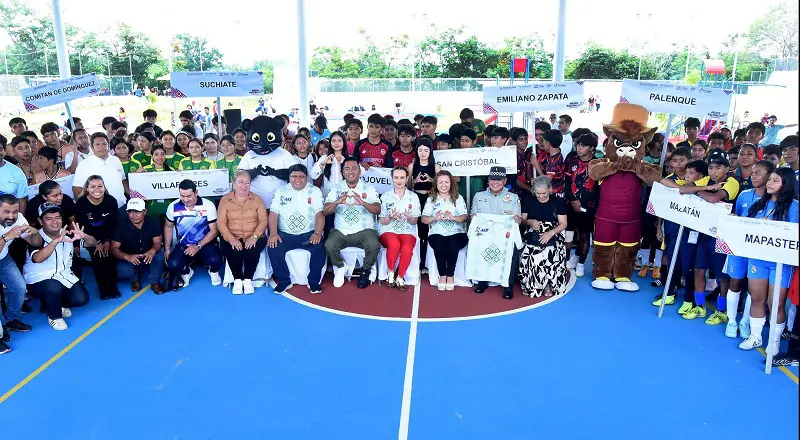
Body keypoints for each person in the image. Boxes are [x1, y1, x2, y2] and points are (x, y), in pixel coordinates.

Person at [738, 168, 799, 353]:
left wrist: (771, 226)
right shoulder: (759, 203)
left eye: (775, 180)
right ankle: (755, 337)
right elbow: (745, 227)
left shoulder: (794, 206)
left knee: (776, 304)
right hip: (758, 258)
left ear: (786, 184)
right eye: (770, 179)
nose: (770, 183)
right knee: (757, 298)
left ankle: (774, 341)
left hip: (781, 263)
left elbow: (793, 233)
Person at [24, 202, 93, 331]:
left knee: (81, 299)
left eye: (57, 218)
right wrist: (55, 241)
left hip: (63, 276)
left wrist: (85, 236)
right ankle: (54, 316)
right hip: (38, 279)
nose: (54, 222)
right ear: (40, 221)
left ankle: (52, 304)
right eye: (48, 219)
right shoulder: (35, 237)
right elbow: (38, 258)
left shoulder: (68, 232)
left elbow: (92, 243)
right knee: (53, 286)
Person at [323, 158, 381, 289]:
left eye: (354, 168)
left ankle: (365, 271)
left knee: (374, 245)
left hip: (364, 231)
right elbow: (326, 211)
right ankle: (340, 267)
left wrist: (363, 203)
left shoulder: (369, 188)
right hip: (341, 232)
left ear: (360, 171)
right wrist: (337, 202)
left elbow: (378, 210)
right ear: (342, 172)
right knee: (329, 245)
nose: (351, 172)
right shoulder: (336, 188)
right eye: (347, 169)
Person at [267, 165, 326, 294]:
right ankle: (284, 281)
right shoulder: (281, 191)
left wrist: (317, 233)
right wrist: (273, 234)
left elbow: (319, 214)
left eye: (301, 177)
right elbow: (273, 214)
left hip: (308, 234)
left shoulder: (315, 191)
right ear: (289, 177)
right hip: (285, 234)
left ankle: (314, 282)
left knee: (319, 247)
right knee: (273, 246)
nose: (298, 180)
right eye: (294, 176)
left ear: (306, 178)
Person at [470, 166, 522, 299]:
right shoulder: (478, 196)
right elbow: (473, 217)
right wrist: (474, 217)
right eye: (492, 179)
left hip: (504, 237)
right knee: (478, 244)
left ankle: (508, 285)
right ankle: (482, 280)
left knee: (513, 249)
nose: (495, 182)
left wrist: (517, 219)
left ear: (505, 181)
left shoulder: (514, 197)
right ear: (488, 180)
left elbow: (518, 220)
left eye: (499, 180)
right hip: (485, 235)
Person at [164, 179, 224, 288]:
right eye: (182, 196)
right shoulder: (173, 206)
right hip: (184, 245)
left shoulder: (208, 205)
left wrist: (197, 246)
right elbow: (168, 226)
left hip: (206, 243)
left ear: (196, 193)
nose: (185, 200)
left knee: (216, 261)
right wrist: (167, 248)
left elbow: (214, 230)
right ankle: (187, 272)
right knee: (172, 264)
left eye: (189, 196)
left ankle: (213, 271)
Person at [217, 171, 268, 295]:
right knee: (233, 250)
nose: (244, 186)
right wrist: (231, 238)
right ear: (234, 184)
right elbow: (221, 223)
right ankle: (238, 280)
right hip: (232, 235)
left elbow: (263, 221)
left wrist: (254, 237)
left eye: (247, 183)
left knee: (252, 250)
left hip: (255, 235)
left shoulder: (257, 199)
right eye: (240, 182)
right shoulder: (225, 200)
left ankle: (248, 280)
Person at [0, 195, 40, 352]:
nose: (11, 216)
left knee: (19, 288)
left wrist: (34, 232)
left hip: (3, 258)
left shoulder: (19, 219)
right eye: (6, 212)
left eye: (14, 212)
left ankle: (10, 320)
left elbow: (35, 243)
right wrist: (6, 236)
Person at [519, 176, 568, 298]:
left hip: (553, 232)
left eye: (544, 193)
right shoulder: (528, 200)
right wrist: (530, 222)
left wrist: (550, 233)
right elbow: (523, 220)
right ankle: (533, 283)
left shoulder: (557, 202)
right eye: (538, 193)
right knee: (531, 254)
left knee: (549, 253)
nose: (541, 196)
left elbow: (563, 223)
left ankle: (548, 284)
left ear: (550, 190)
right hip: (533, 232)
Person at [421, 170, 469, 291]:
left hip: (457, 232)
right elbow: (423, 219)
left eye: (447, 182)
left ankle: (450, 275)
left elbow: (464, 217)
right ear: (436, 184)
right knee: (439, 244)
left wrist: (453, 218)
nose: (444, 185)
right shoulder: (431, 199)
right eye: (441, 182)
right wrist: (434, 218)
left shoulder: (458, 198)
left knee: (452, 245)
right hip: (437, 232)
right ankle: (442, 276)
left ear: (451, 183)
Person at [75, 175, 120, 300]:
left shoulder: (111, 201)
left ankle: (113, 287)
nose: (97, 189)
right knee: (98, 256)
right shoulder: (81, 204)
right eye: (93, 186)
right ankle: (104, 289)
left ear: (104, 188)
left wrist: (106, 240)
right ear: (87, 189)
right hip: (90, 236)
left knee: (110, 256)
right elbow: (84, 226)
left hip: (108, 235)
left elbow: (113, 223)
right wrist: (98, 242)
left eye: (100, 186)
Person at [378, 167, 421, 290]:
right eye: (396, 177)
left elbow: (414, 221)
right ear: (392, 179)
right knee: (394, 244)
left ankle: (400, 276)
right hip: (388, 230)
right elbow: (383, 221)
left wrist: (409, 217)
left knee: (407, 248)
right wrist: (390, 217)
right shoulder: (385, 196)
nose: (399, 180)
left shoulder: (413, 197)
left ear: (407, 179)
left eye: (402, 177)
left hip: (407, 230)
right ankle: (390, 273)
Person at [111, 198, 165, 295]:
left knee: (159, 256)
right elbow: (114, 248)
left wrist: (152, 251)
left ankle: (155, 282)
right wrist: (126, 256)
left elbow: (158, 242)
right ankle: (135, 279)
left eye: (137, 212)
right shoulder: (121, 225)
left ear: (145, 211)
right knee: (122, 270)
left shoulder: (154, 222)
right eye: (130, 212)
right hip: (129, 257)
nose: (133, 215)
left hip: (148, 254)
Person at [72, 133, 128, 209]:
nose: (101, 147)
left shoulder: (116, 160)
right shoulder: (84, 164)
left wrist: (132, 195)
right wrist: (91, 205)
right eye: (97, 144)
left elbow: (123, 180)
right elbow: (76, 188)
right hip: (100, 210)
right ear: (92, 147)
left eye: (104, 144)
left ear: (108, 145)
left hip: (122, 206)